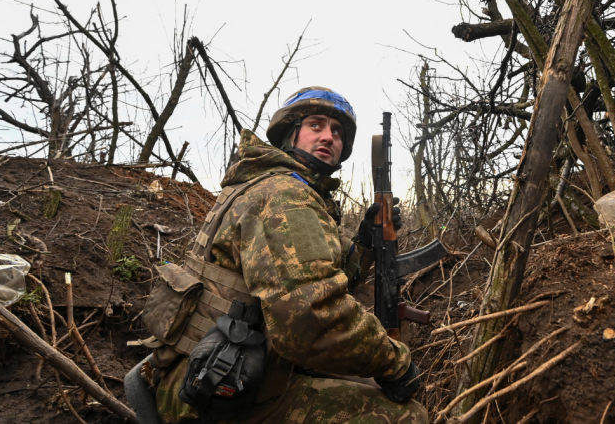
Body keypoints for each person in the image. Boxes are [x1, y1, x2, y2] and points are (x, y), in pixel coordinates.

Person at [150, 87, 427, 424]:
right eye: (316, 125)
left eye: (337, 131)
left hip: (212, 367)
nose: (328, 137)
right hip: (217, 390)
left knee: (362, 380)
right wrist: (394, 362)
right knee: (405, 417)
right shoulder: (284, 196)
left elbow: (320, 278)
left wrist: (366, 242)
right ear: (290, 131)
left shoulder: (269, 184)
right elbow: (312, 318)